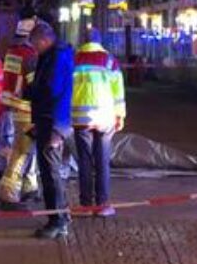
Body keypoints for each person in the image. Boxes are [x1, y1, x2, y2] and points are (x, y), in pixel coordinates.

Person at [71, 29, 125, 217]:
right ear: (100, 41)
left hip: (80, 119)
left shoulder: (74, 60)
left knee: (84, 161)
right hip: (104, 118)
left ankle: (85, 205)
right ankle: (102, 204)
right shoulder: (110, 61)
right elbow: (118, 91)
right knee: (102, 161)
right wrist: (120, 115)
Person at [28, 22, 74, 240]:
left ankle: (57, 221)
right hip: (51, 121)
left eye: (35, 44)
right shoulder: (54, 55)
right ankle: (60, 216)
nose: (34, 49)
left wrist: (31, 91)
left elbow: (52, 90)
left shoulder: (55, 58)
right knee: (50, 171)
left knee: (50, 173)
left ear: (44, 40)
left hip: (53, 122)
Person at [0, 17, 39, 209]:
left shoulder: (11, 52)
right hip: (27, 108)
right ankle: (8, 194)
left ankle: (29, 187)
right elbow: (33, 85)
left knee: (27, 149)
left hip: (14, 106)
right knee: (21, 152)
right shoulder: (30, 55)